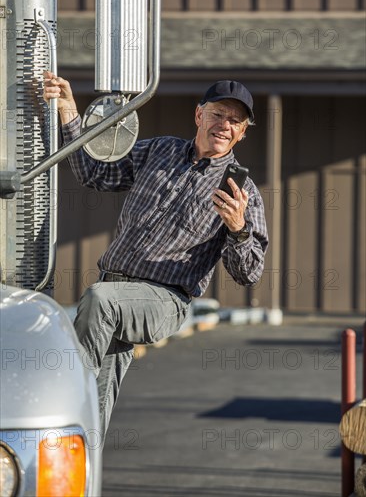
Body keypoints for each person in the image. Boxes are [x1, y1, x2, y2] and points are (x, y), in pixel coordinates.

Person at [43, 73, 269, 440]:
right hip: (114, 289)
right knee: (96, 405)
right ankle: (80, 464)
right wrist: (68, 110)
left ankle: (60, 400)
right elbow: (95, 172)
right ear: (199, 116)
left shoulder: (242, 193)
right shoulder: (159, 150)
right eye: (218, 114)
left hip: (164, 300)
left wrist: (238, 229)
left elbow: (249, 273)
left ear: (243, 132)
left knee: (100, 302)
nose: (224, 125)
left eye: (235, 121)